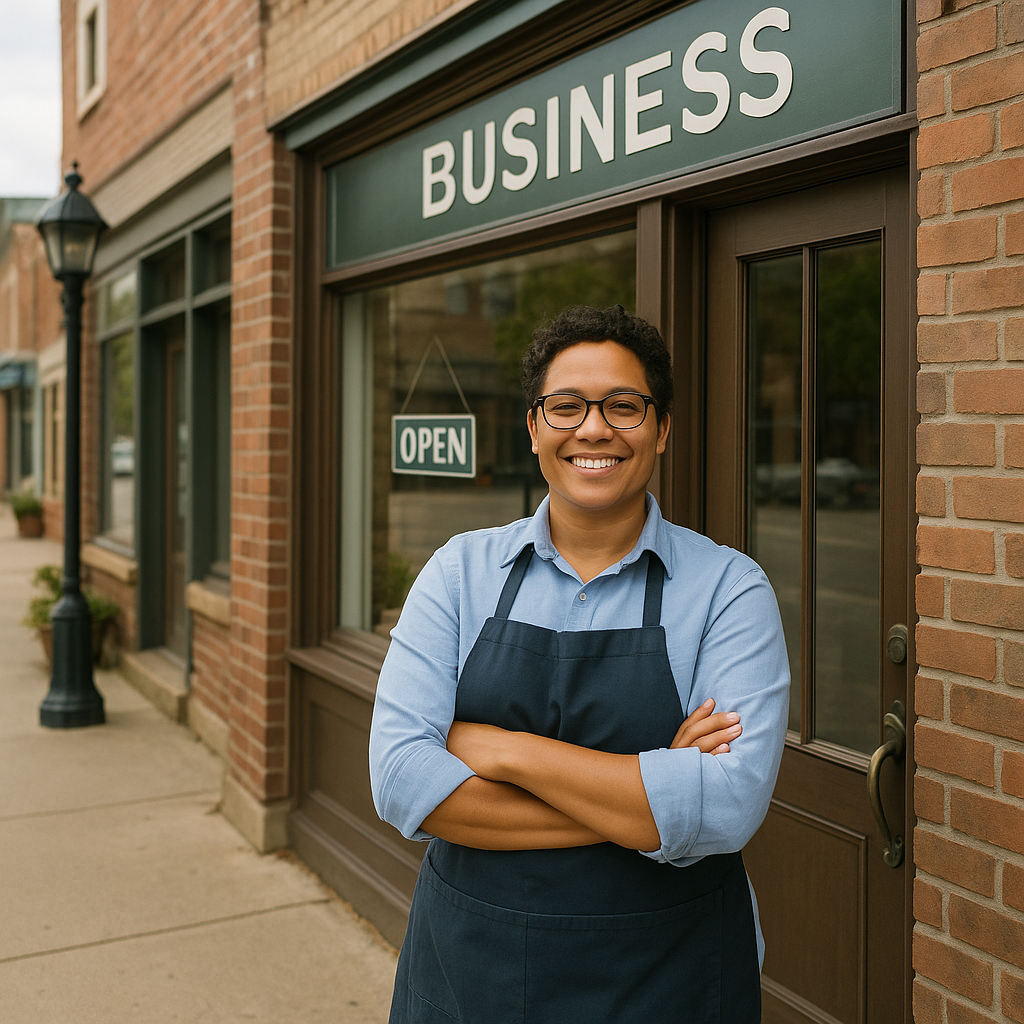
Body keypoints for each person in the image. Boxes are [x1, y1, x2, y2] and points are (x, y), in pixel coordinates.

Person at [369, 304, 790, 1023]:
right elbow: (403, 782)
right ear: (535, 428)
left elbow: (725, 807)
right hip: (472, 970)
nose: (593, 428)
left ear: (661, 429)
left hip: (672, 977)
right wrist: (651, 794)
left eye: (623, 405)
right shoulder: (459, 572)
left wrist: (505, 750)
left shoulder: (729, 588)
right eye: (566, 406)